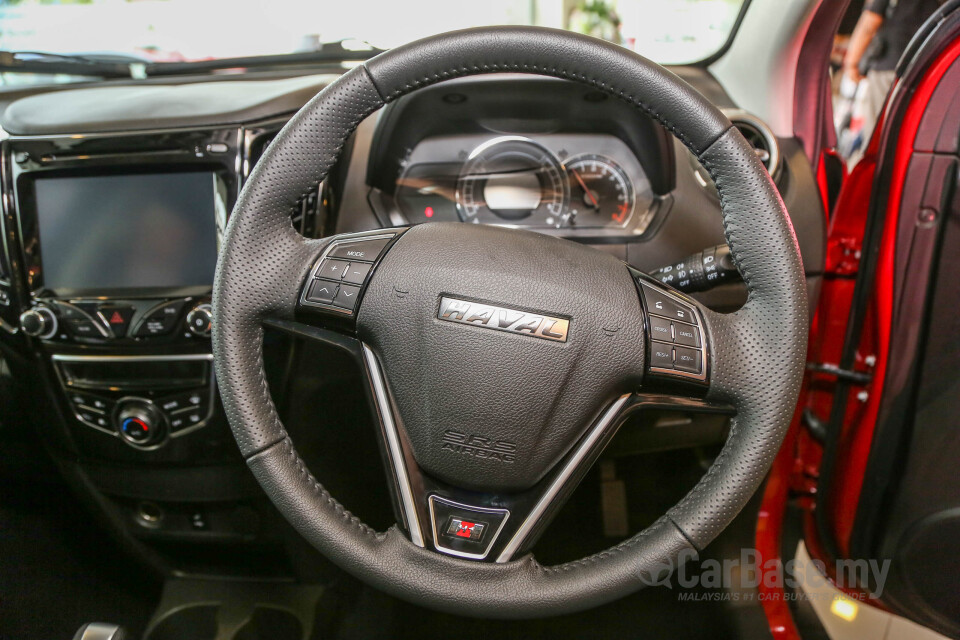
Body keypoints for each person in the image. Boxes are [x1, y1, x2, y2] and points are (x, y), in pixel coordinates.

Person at [842, 0, 942, 158]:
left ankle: (875, 177)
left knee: (876, 135)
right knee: (908, 133)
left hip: (888, 68)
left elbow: (870, 22)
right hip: (925, 71)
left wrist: (851, 62)